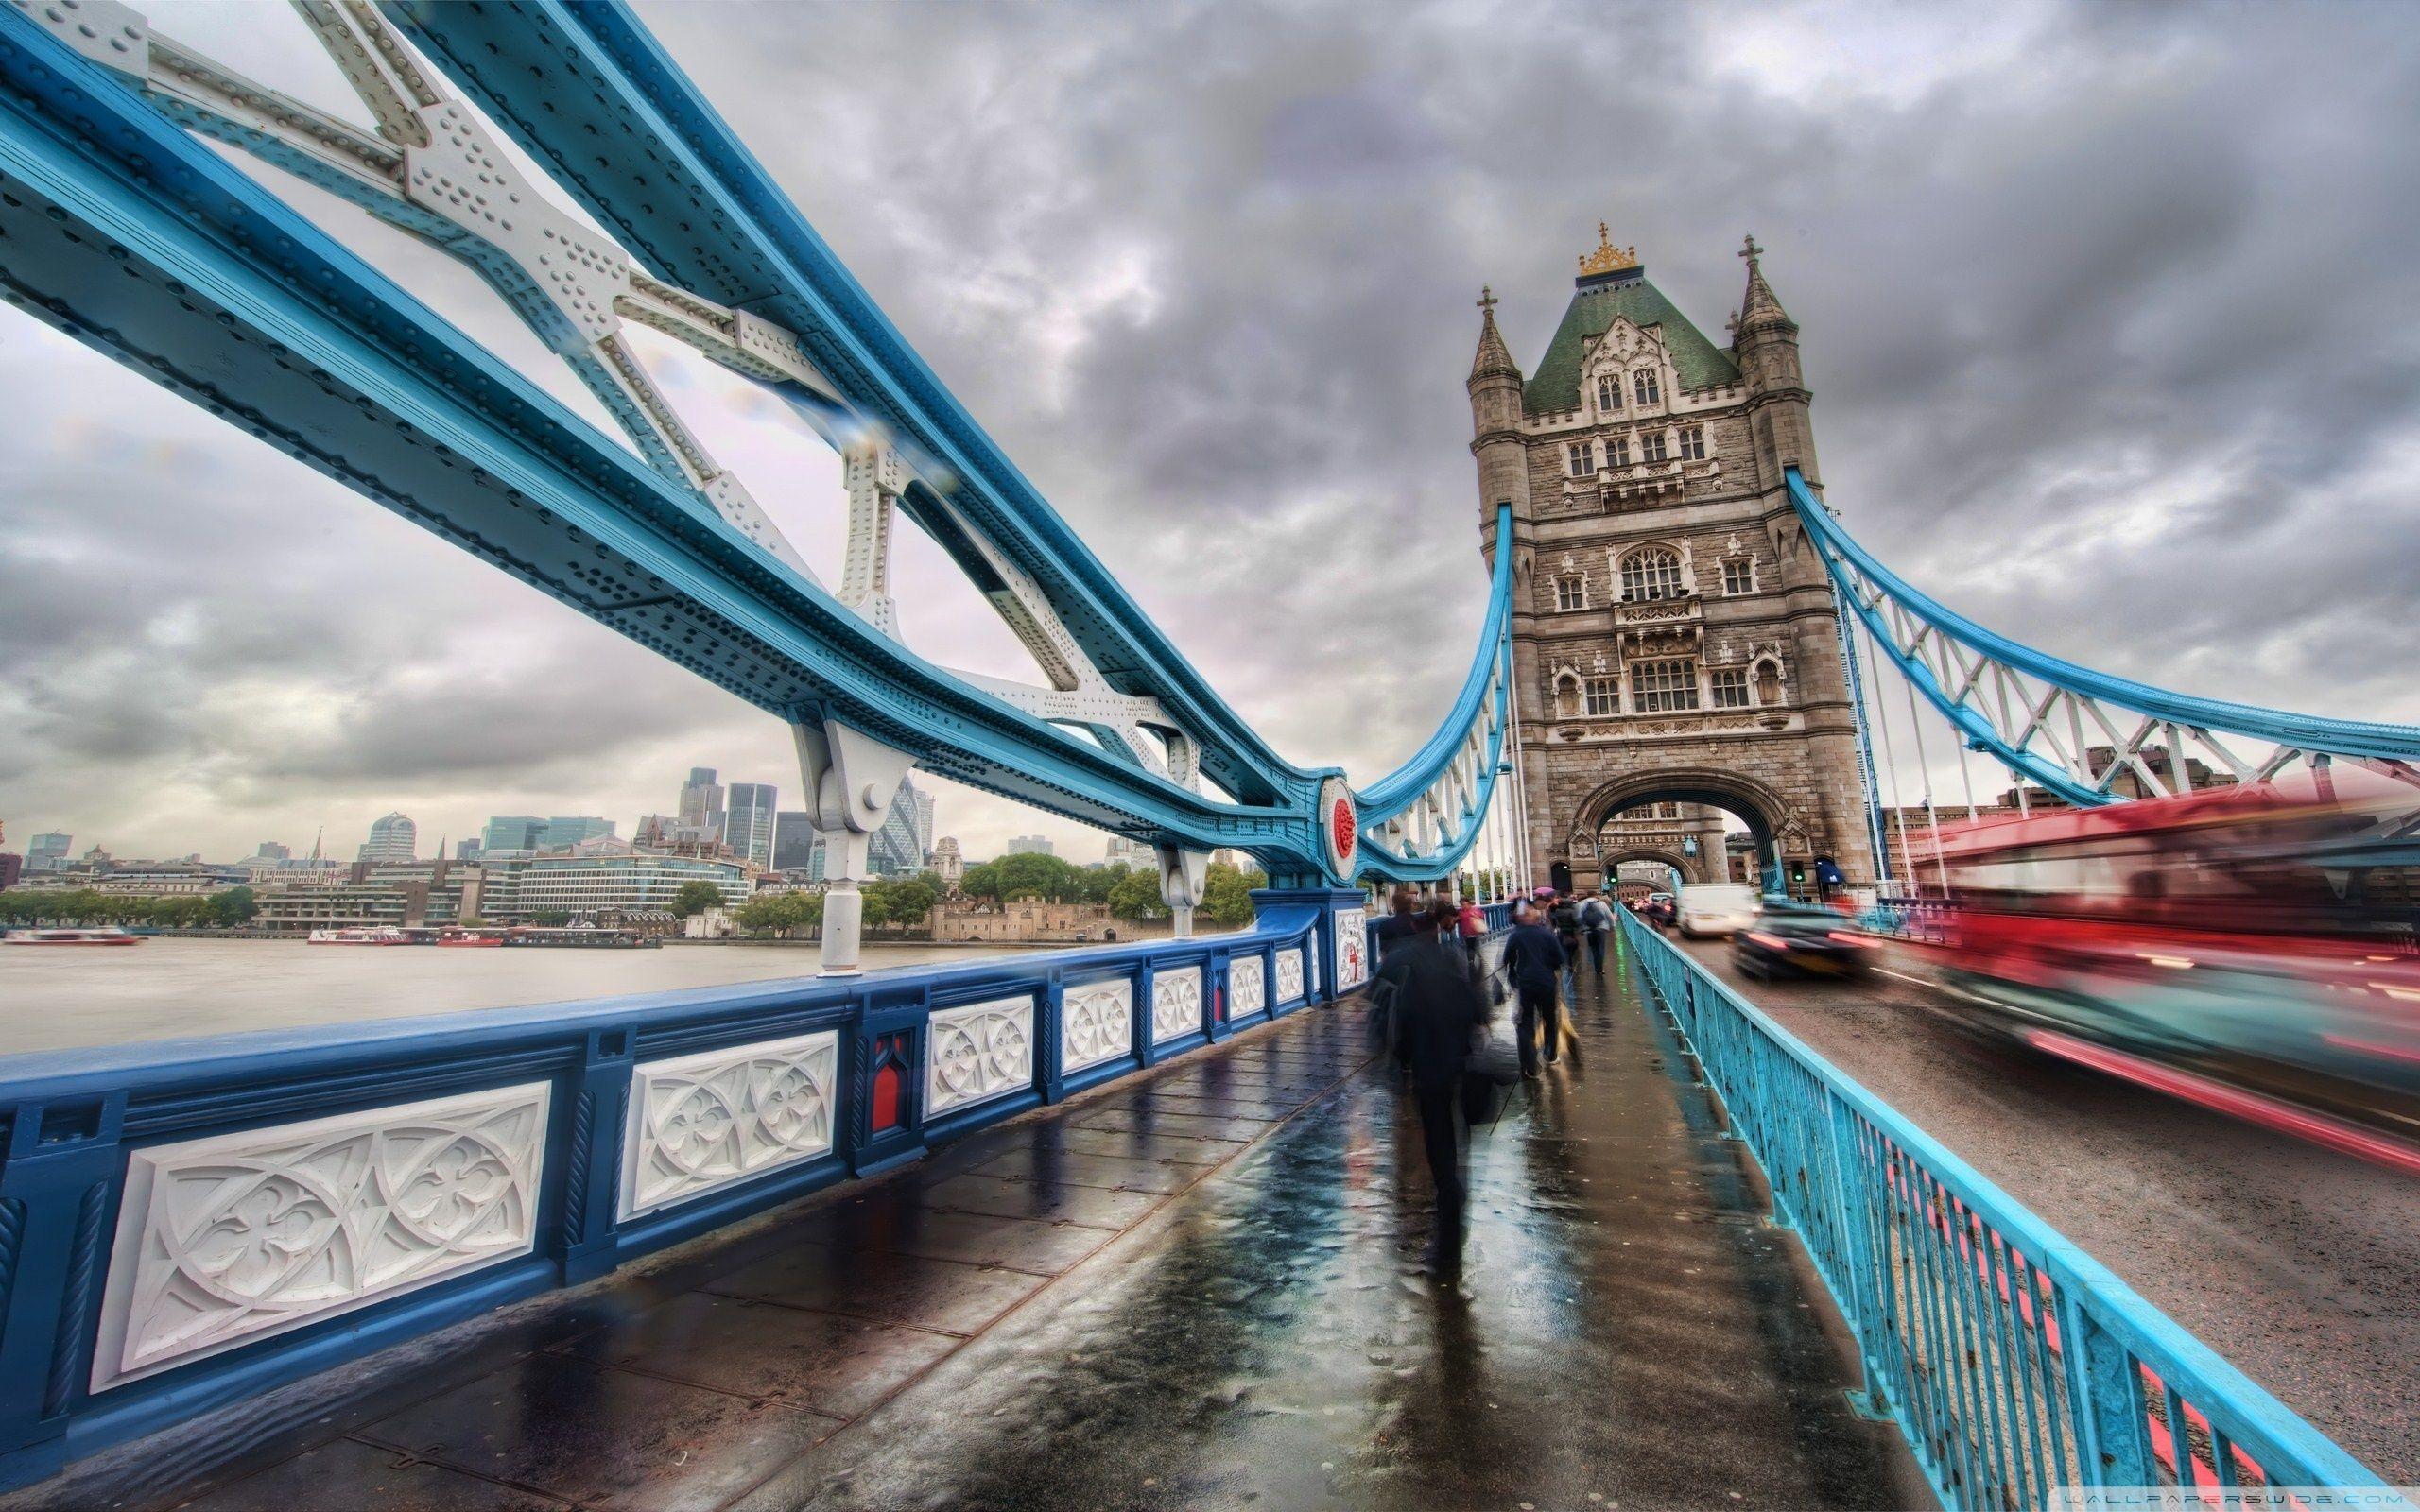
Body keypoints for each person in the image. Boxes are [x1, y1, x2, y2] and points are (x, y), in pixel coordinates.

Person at [1372, 898, 1489, 1246]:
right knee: (1458, 1131)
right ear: (1437, 925)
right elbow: (1478, 1008)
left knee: (1437, 1133)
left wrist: (1396, 1057)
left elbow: (1384, 1015)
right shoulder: (1453, 959)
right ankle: (1455, 1192)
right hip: (1458, 1059)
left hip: (1424, 1065)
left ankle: (1446, 1193)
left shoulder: (1397, 961)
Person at [1500, 897, 1567, 1076]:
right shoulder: (1547, 934)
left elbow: (1506, 960)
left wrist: (1513, 977)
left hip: (1526, 984)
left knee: (1525, 1023)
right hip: (1546, 982)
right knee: (1549, 1019)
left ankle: (1529, 1065)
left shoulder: (1515, 935)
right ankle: (1550, 1054)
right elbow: (1560, 959)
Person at [1548, 892, 1582, 998]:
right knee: (1573, 947)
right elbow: (1576, 921)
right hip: (1571, 932)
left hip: (1561, 932)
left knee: (1564, 948)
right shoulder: (1572, 911)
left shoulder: (1557, 911)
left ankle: (1567, 964)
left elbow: (1554, 920)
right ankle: (1570, 964)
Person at [1579, 890, 1616, 973]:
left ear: (1587, 895)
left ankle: (1596, 967)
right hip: (1601, 929)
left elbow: (1578, 917)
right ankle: (1600, 968)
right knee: (1601, 948)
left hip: (1588, 930)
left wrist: (1581, 928)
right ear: (1595, 895)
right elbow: (1609, 916)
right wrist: (1612, 927)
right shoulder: (1601, 903)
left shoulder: (1582, 904)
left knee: (1593, 949)